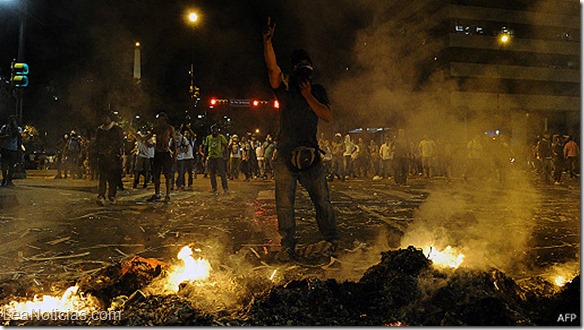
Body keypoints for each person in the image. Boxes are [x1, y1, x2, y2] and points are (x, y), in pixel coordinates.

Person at [263, 17, 340, 262]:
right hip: (285, 155)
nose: (305, 70)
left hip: (311, 154)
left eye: (308, 66)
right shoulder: (285, 86)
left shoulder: (317, 90)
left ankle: (332, 240)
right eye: (301, 66)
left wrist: (309, 97)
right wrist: (267, 43)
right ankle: (288, 245)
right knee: (284, 204)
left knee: (323, 201)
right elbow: (273, 70)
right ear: (294, 69)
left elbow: (327, 115)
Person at [146, 112, 177, 203]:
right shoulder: (155, 129)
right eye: (159, 119)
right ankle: (157, 194)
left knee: (168, 175)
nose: (160, 121)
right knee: (156, 175)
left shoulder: (169, 128)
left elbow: (174, 142)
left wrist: (175, 153)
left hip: (166, 153)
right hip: (158, 153)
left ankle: (167, 194)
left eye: (162, 119)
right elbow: (146, 138)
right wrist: (139, 137)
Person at [94, 112, 124, 205]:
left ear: (110, 118)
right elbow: (97, 143)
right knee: (102, 177)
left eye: (106, 117)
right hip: (102, 157)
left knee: (112, 178)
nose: (104, 119)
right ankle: (101, 195)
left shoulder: (117, 129)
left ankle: (112, 195)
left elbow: (119, 143)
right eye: (103, 117)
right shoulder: (99, 130)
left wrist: (111, 151)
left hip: (113, 158)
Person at [204, 124, 228, 194]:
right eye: (213, 129)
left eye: (216, 129)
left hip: (219, 157)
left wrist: (226, 155)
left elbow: (226, 146)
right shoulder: (208, 138)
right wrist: (205, 157)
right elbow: (206, 147)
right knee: (212, 173)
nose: (215, 131)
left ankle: (225, 187)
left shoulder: (221, 137)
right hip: (211, 157)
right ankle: (214, 187)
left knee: (222, 173)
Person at [0, 115, 22, 187]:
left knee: (11, 166)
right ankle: (5, 178)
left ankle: (9, 180)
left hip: (13, 149)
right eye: (11, 120)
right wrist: (4, 137)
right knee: (4, 166)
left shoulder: (18, 128)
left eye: (13, 120)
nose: (12, 122)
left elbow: (16, 136)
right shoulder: (4, 127)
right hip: (5, 148)